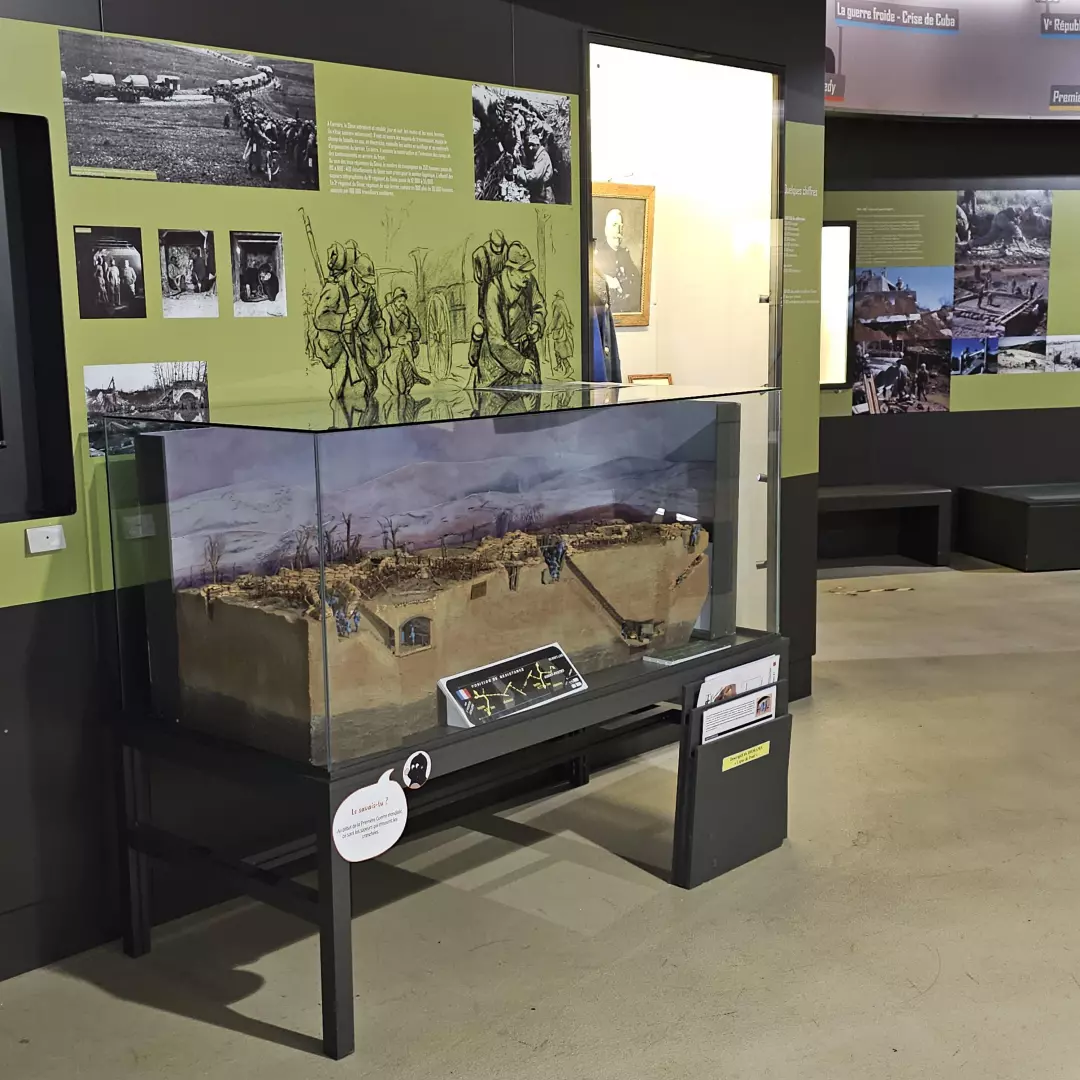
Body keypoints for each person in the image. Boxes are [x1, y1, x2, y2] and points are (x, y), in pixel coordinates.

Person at [476, 240, 546, 388]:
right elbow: (496, 339)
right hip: (497, 367)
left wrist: (536, 324)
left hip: (526, 354)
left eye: (529, 271)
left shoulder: (529, 281)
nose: (527, 276)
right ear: (510, 270)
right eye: (522, 271)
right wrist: (519, 363)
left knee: (534, 396)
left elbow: (539, 305)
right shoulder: (494, 290)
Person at [593, 208, 640, 314]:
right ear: (606, 230)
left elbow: (637, 283)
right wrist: (606, 279)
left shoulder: (625, 254)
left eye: (620, 226)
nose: (618, 230)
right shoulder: (598, 254)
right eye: (614, 225)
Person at [383, 287, 428, 394]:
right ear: (394, 302)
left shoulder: (407, 311)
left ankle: (412, 378)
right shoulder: (387, 311)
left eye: (403, 301)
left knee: (406, 353)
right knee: (396, 374)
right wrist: (397, 340)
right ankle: (413, 375)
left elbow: (416, 329)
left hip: (406, 345)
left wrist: (410, 335)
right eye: (399, 301)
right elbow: (385, 332)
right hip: (392, 347)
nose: (402, 303)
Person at [513, 127, 554, 204]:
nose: (530, 148)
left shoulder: (542, 156)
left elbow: (534, 176)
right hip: (539, 191)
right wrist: (524, 171)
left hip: (544, 194)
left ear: (538, 145)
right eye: (529, 145)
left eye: (533, 145)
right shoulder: (537, 155)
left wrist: (522, 174)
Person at [549, 289, 575, 376]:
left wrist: (549, 329)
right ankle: (559, 366)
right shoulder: (562, 305)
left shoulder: (558, 305)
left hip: (560, 332)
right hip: (559, 331)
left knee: (561, 351)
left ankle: (569, 368)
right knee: (557, 350)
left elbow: (554, 320)